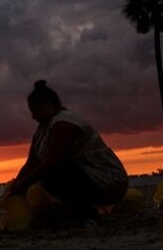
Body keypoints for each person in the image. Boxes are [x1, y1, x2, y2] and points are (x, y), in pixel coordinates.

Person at [9, 80, 129, 226]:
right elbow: (31, 164)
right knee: (48, 176)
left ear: (48, 105)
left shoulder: (65, 123)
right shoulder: (41, 131)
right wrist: (17, 184)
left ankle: (89, 216)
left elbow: (54, 161)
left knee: (52, 175)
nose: (33, 117)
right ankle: (82, 212)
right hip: (86, 179)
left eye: (35, 111)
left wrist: (25, 184)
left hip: (108, 181)